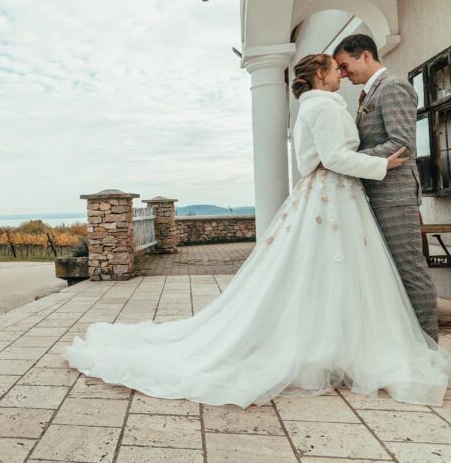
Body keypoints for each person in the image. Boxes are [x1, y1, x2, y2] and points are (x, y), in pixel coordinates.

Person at [62, 53, 450, 408]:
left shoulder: (312, 107)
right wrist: (383, 164)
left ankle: (333, 345)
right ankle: (337, 347)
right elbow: (332, 158)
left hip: (327, 196)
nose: (341, 75)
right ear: (319, 75)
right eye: (335, 70)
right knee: (338, 272)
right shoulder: (325, 108)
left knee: (325, 273)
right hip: (333, 197)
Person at [334, 33, 439, 342]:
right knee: (388, 272)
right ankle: (404, 344)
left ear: (365, 55)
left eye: (344, 65)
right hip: (375, 193)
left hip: (395, 196)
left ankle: (428, 348)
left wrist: (348, 160)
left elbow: (402, 143)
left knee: (409, 269)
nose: (342, 73)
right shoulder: (367, 95)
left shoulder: (393, 87)